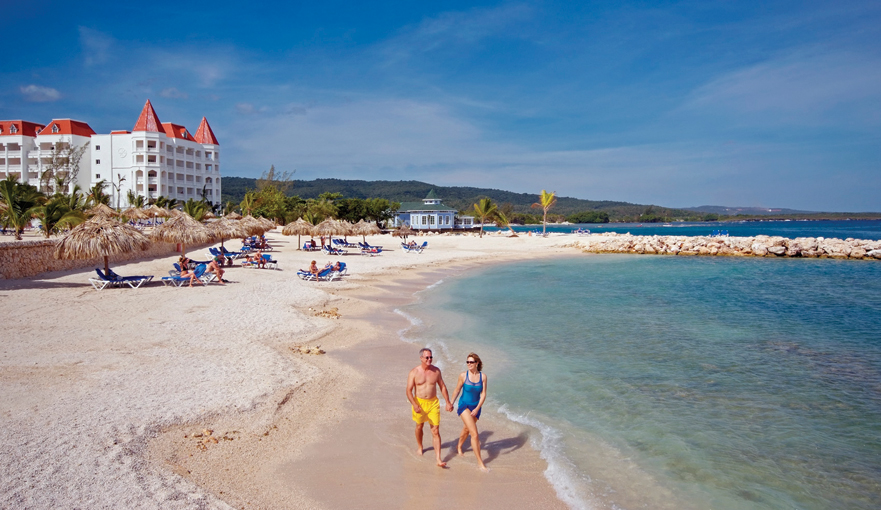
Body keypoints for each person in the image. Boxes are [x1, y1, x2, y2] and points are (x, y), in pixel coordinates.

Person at [407, 348, 454, 468]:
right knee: (419, 426)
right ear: (421, 358)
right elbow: (408, 390)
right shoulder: (414, 372)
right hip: (419, 403)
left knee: (435, 430)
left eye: (431, 357)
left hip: (433, 403)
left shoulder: (436, 371)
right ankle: (420, 446)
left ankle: (438, 459)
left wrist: (448, 402)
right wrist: (414, 404)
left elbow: (442, 386)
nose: (429, 359)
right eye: (427, 357)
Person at [451, 352, 489, 471]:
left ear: (477, 363)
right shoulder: (463, 375)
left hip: (476, 407)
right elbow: (457, 390)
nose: (469, 364)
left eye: (471, 362)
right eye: (467, 362)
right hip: (464, 405)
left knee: (467, 429)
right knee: (474, 433)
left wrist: (477, 408)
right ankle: (480, 463)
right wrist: (450, 403)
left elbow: (483, 394)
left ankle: (459, 446)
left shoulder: (483, 377)